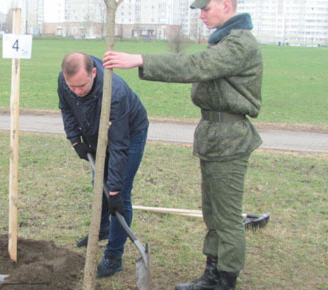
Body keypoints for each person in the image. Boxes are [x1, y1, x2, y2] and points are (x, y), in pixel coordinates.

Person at [103, 0, 262, 288]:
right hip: (215, 133)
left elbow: (196, 65)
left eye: (205, 9)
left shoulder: (240, 43)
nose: (201, 15)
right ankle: (212, 273)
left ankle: (224, 279)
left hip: (229, 136)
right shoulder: (225, 39)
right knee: (213, 211)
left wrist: (140, 59)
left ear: (226, 4)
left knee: (226, 216)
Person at [58, 52, 148, 278]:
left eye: (82, 85)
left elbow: (119, 146)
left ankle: (113, 257)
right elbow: (67, 108)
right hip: (97, 131)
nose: (77, 91)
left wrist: (115, 189)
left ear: (94, 73)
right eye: (72, 87)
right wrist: (75, 138)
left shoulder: (114, 93)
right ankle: (103, 228)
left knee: (120, 196)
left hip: (129, 133)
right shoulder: (66, 81)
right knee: (99, 185)